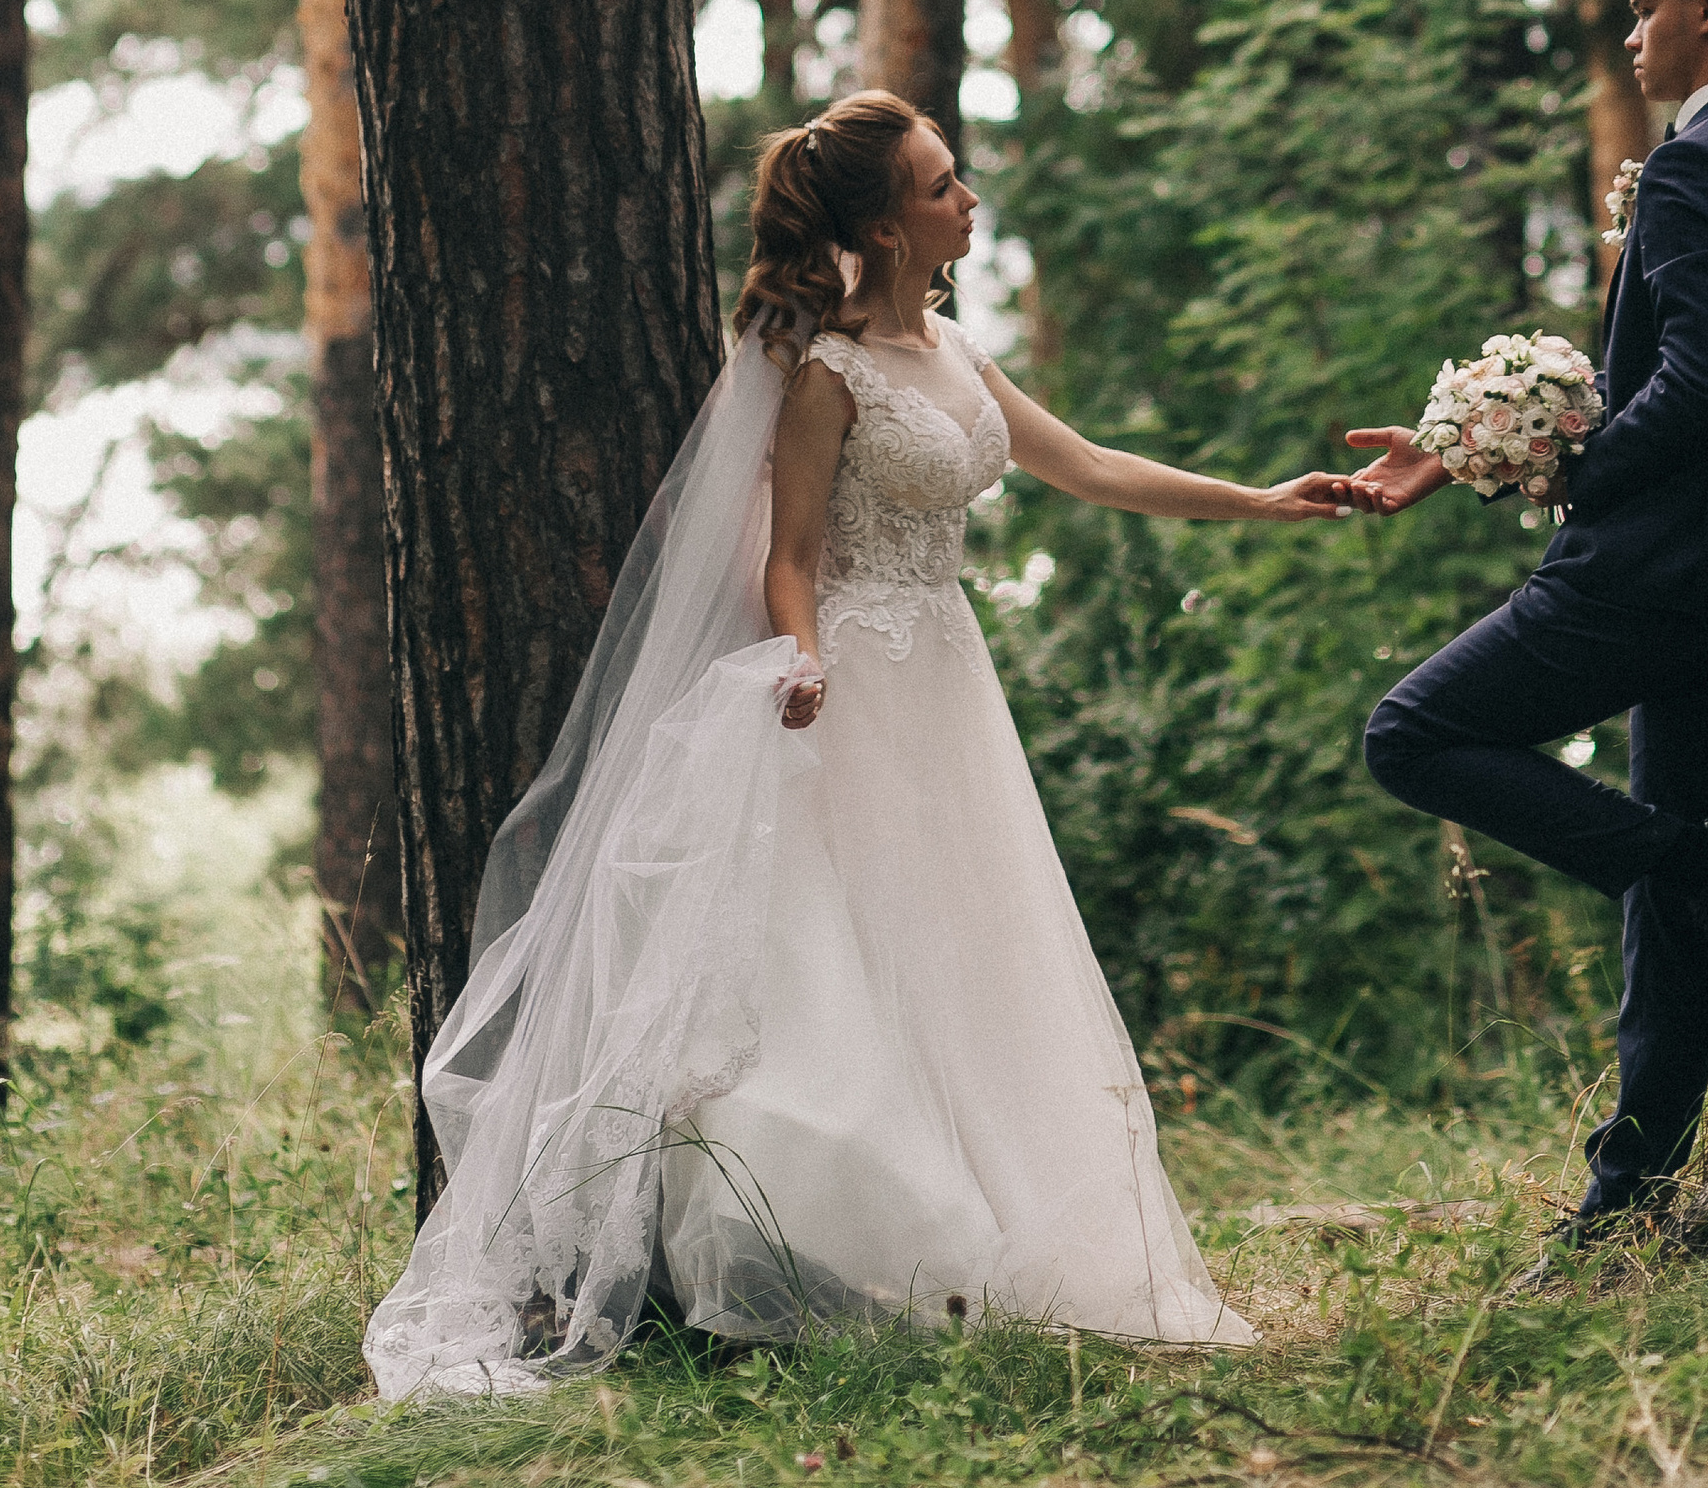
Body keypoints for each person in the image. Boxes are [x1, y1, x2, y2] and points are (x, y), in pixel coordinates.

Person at [366, 89, 1358, 1394]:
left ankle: (1007, 1226)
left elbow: (1099, 468)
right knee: (863, 950)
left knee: (973, 941)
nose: (968, 200)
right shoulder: (825, 373)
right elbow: (787, 553)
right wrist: (807, 654)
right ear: (887, 229)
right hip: (860, 689)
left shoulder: (956, 357)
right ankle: (867, 1238)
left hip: (951, 683)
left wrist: (1275, 505)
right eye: (945, 185)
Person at [1343, 0, 1708, 1284]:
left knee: (1412, 735)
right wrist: (1470, 439)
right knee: (1677, 887)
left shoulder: (1694, 167)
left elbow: (1706, 381)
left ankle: (1705, 867)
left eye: (1646, 4)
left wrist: (1576, 465)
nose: (1632, 29)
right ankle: (1628, 1203)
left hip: (1652, 573)